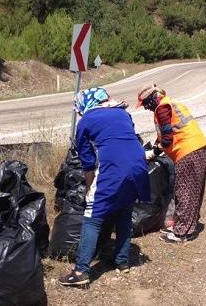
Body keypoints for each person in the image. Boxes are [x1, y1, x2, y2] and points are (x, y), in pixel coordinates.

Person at [59, 87, 150, 287]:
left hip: (114, 170)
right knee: (124, 212)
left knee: (92, 218)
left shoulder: (86, 122)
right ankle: (122, 261)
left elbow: (88, 162)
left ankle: (81, 271)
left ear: (86, 104)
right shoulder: (122, 113)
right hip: (138, 167)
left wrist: (91, 188)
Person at [136, 84, 206, 243]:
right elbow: (165, 133)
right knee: (192, 189)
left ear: (152, 99)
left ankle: (182, 233)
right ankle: (186, 225)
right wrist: (156, 146)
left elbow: (167, 139)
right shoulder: (168, 103)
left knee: (186, 190)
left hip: (188, 150)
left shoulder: (161, 108)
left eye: (145, 104)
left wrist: (153, 153)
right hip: (196, 146)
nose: (146, 108)